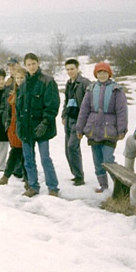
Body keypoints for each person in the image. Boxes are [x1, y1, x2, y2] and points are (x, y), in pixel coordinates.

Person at [76, 62, 128, 193]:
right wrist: (79, 128)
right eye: (99, 72)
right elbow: (84, 109)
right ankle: (103, 186)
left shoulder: (116, 89)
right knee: (97, 160)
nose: (102, 75)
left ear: (109, 73)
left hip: (110, 130)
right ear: (96, 74)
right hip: (93, 129)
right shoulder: (91, 88)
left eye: (104, 72)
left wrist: (122, 129)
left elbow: (122, 111)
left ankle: (119, 185)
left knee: (108, 159)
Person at [16, 53, 61, 197]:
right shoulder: (23, 84)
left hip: (42, 127)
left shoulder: (47, 81)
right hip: (26, 128)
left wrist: (45, 122)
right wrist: (19, 125)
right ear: (25, 66)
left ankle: (53, 187)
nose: (31, 67)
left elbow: (53, 105)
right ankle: (33, 186)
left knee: (45, 158)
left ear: (38, 63)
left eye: (33, 63)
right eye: (28, 64)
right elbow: (19, 107)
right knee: (28, 159)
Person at [0, 67, 28, 187]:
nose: (19, 80)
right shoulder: (13, 94)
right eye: (17, 78)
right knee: (16, 152)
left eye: (21, 78)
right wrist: (7, 125)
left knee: (24, 154)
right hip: (13, 129)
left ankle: (25, 179)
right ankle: (8, 176)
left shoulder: (28, 92)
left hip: (24, 128)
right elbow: (8, 113)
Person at [61, 58, 91, 186]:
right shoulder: (69, 83)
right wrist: (63, 115)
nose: (70, 71)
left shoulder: (84, 83)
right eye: (67, 69)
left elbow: (90, 103)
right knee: (67, 149)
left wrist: (85, 122)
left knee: (72, 146)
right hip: (69, 119)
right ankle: (76, 174)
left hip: (79, 120)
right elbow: (66, 100)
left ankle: (80, 176)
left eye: (72, 69)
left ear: (78, 69)